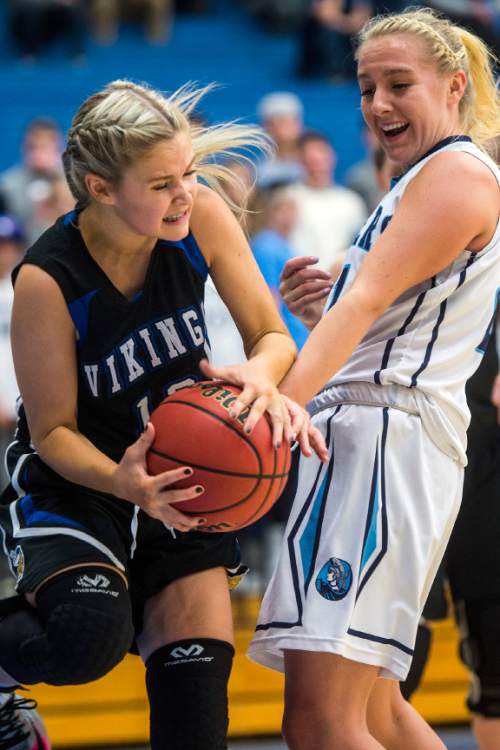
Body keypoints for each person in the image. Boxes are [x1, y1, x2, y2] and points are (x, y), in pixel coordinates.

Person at [0, 80, 327, 750]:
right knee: (89, 635)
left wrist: (258, 377)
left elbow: (272, 337)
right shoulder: (46, 281)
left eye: (189, 173)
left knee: (196, 718)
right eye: (162, 183)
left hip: (186, 479)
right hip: (82, 486)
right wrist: (123, 483)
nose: (185, 193)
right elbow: (53, 432)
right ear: (99, 187)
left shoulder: (200, 215)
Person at [248, 7, 500, 749]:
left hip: (384, 443)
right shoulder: (422, 178)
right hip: (380, 437)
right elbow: (380, 310)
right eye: (366, 88)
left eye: (399, 84)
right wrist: (323, 306)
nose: (379, 103)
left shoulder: (456, 173)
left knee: (321, 724)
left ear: (454, 86)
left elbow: (364, 308)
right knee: (378, 714)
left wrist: (273, 406)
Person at [287, 130, 367, 271]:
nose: (316, 163)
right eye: (310, 158)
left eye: (322, 155)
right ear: (299, 161)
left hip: (342, 283)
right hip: (301, 283)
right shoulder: (288, 199)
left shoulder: (351, 201)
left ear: (332, 157)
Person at [0, 118, 65, 247]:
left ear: (59, 148)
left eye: (45, 147)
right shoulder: (7, 186)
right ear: (24, 148)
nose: (38, 154)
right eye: (33, 147)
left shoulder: (74, 183)